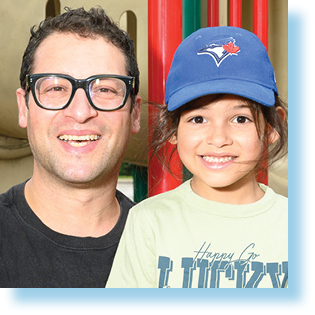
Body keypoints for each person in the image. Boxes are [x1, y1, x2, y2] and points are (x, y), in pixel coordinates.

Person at [106, 26, 288, 288]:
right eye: (198, 119)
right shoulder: (148, 220)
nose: (218, 138)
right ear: (172, 129)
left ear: (272, 129)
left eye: (240, 119)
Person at [0, 7, 141, 287]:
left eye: (105, 90)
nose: (80, 112)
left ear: (134, 114)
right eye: (55, 88)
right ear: (23, 107)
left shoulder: (169, 251)